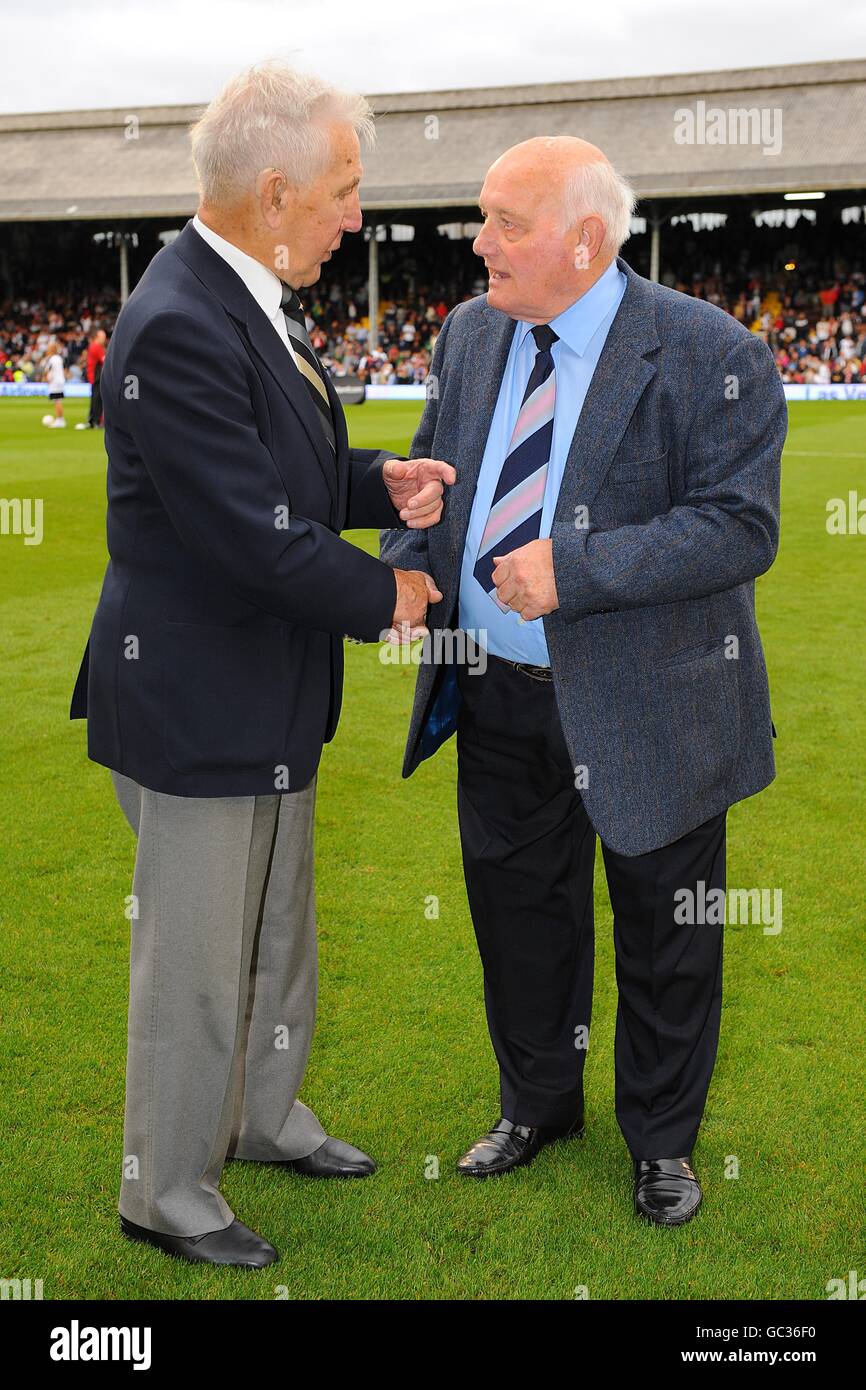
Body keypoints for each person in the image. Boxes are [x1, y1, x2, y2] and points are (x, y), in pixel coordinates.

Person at [69, 59, 453, 1268]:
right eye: (343, 192)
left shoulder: (244, 291)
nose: (356, 216)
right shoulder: (179, 318)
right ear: (275, 190)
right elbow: (244, 534)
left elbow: (276, 473)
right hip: (197, 702)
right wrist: (381, 590)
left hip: (266, 691)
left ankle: (266, 1118)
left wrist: (370, 479)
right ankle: (166, 1190)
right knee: (194, 957)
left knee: (276, 929)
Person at [380, 135, 785, 1227]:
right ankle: (537, 1101)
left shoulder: (710, 350)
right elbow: (440, 486)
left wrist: (576, 567)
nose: (478, 242)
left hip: (649, 699)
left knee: (663, 932)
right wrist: (407, 561)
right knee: (518, 916)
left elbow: (738, 527)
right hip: (498, 693)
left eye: (504, 221)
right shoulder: (470, 332)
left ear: (584, 239)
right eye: (483, 215)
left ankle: (661, 1143)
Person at [75, 327, 107, 429]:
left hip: (94, 375)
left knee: (96, 399)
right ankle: (95, 421)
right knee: (97, 399)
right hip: (97, 376)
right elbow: (104, 360)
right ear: (97, 337)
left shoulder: (93, 346)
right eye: (103, 337)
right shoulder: (97, 347)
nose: (104, 339)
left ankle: (93, 420)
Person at [41, 339, 67, 426]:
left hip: (55, 383)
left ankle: (60, 420)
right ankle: (60, 419)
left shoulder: (52, 359)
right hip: (59, 381)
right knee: (57, 400)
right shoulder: (58, 358)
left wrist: (46, 378)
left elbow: (47, 370)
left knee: (57, 401)